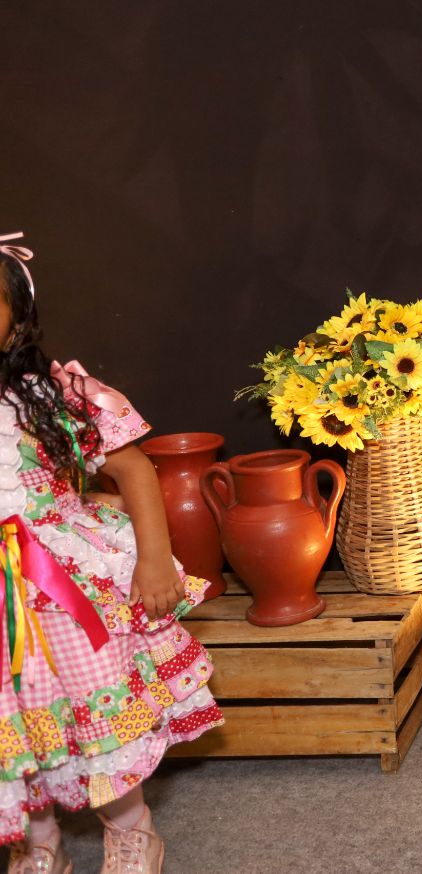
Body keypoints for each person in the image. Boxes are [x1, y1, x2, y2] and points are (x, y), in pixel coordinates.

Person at [0, 233, 221, 874]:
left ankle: (130, 831)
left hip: (61, 587)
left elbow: (134, 470)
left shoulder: (54, 395)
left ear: (18, 317)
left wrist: (153, 559)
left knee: (96, 709)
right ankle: (37, 842)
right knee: (15, 721)